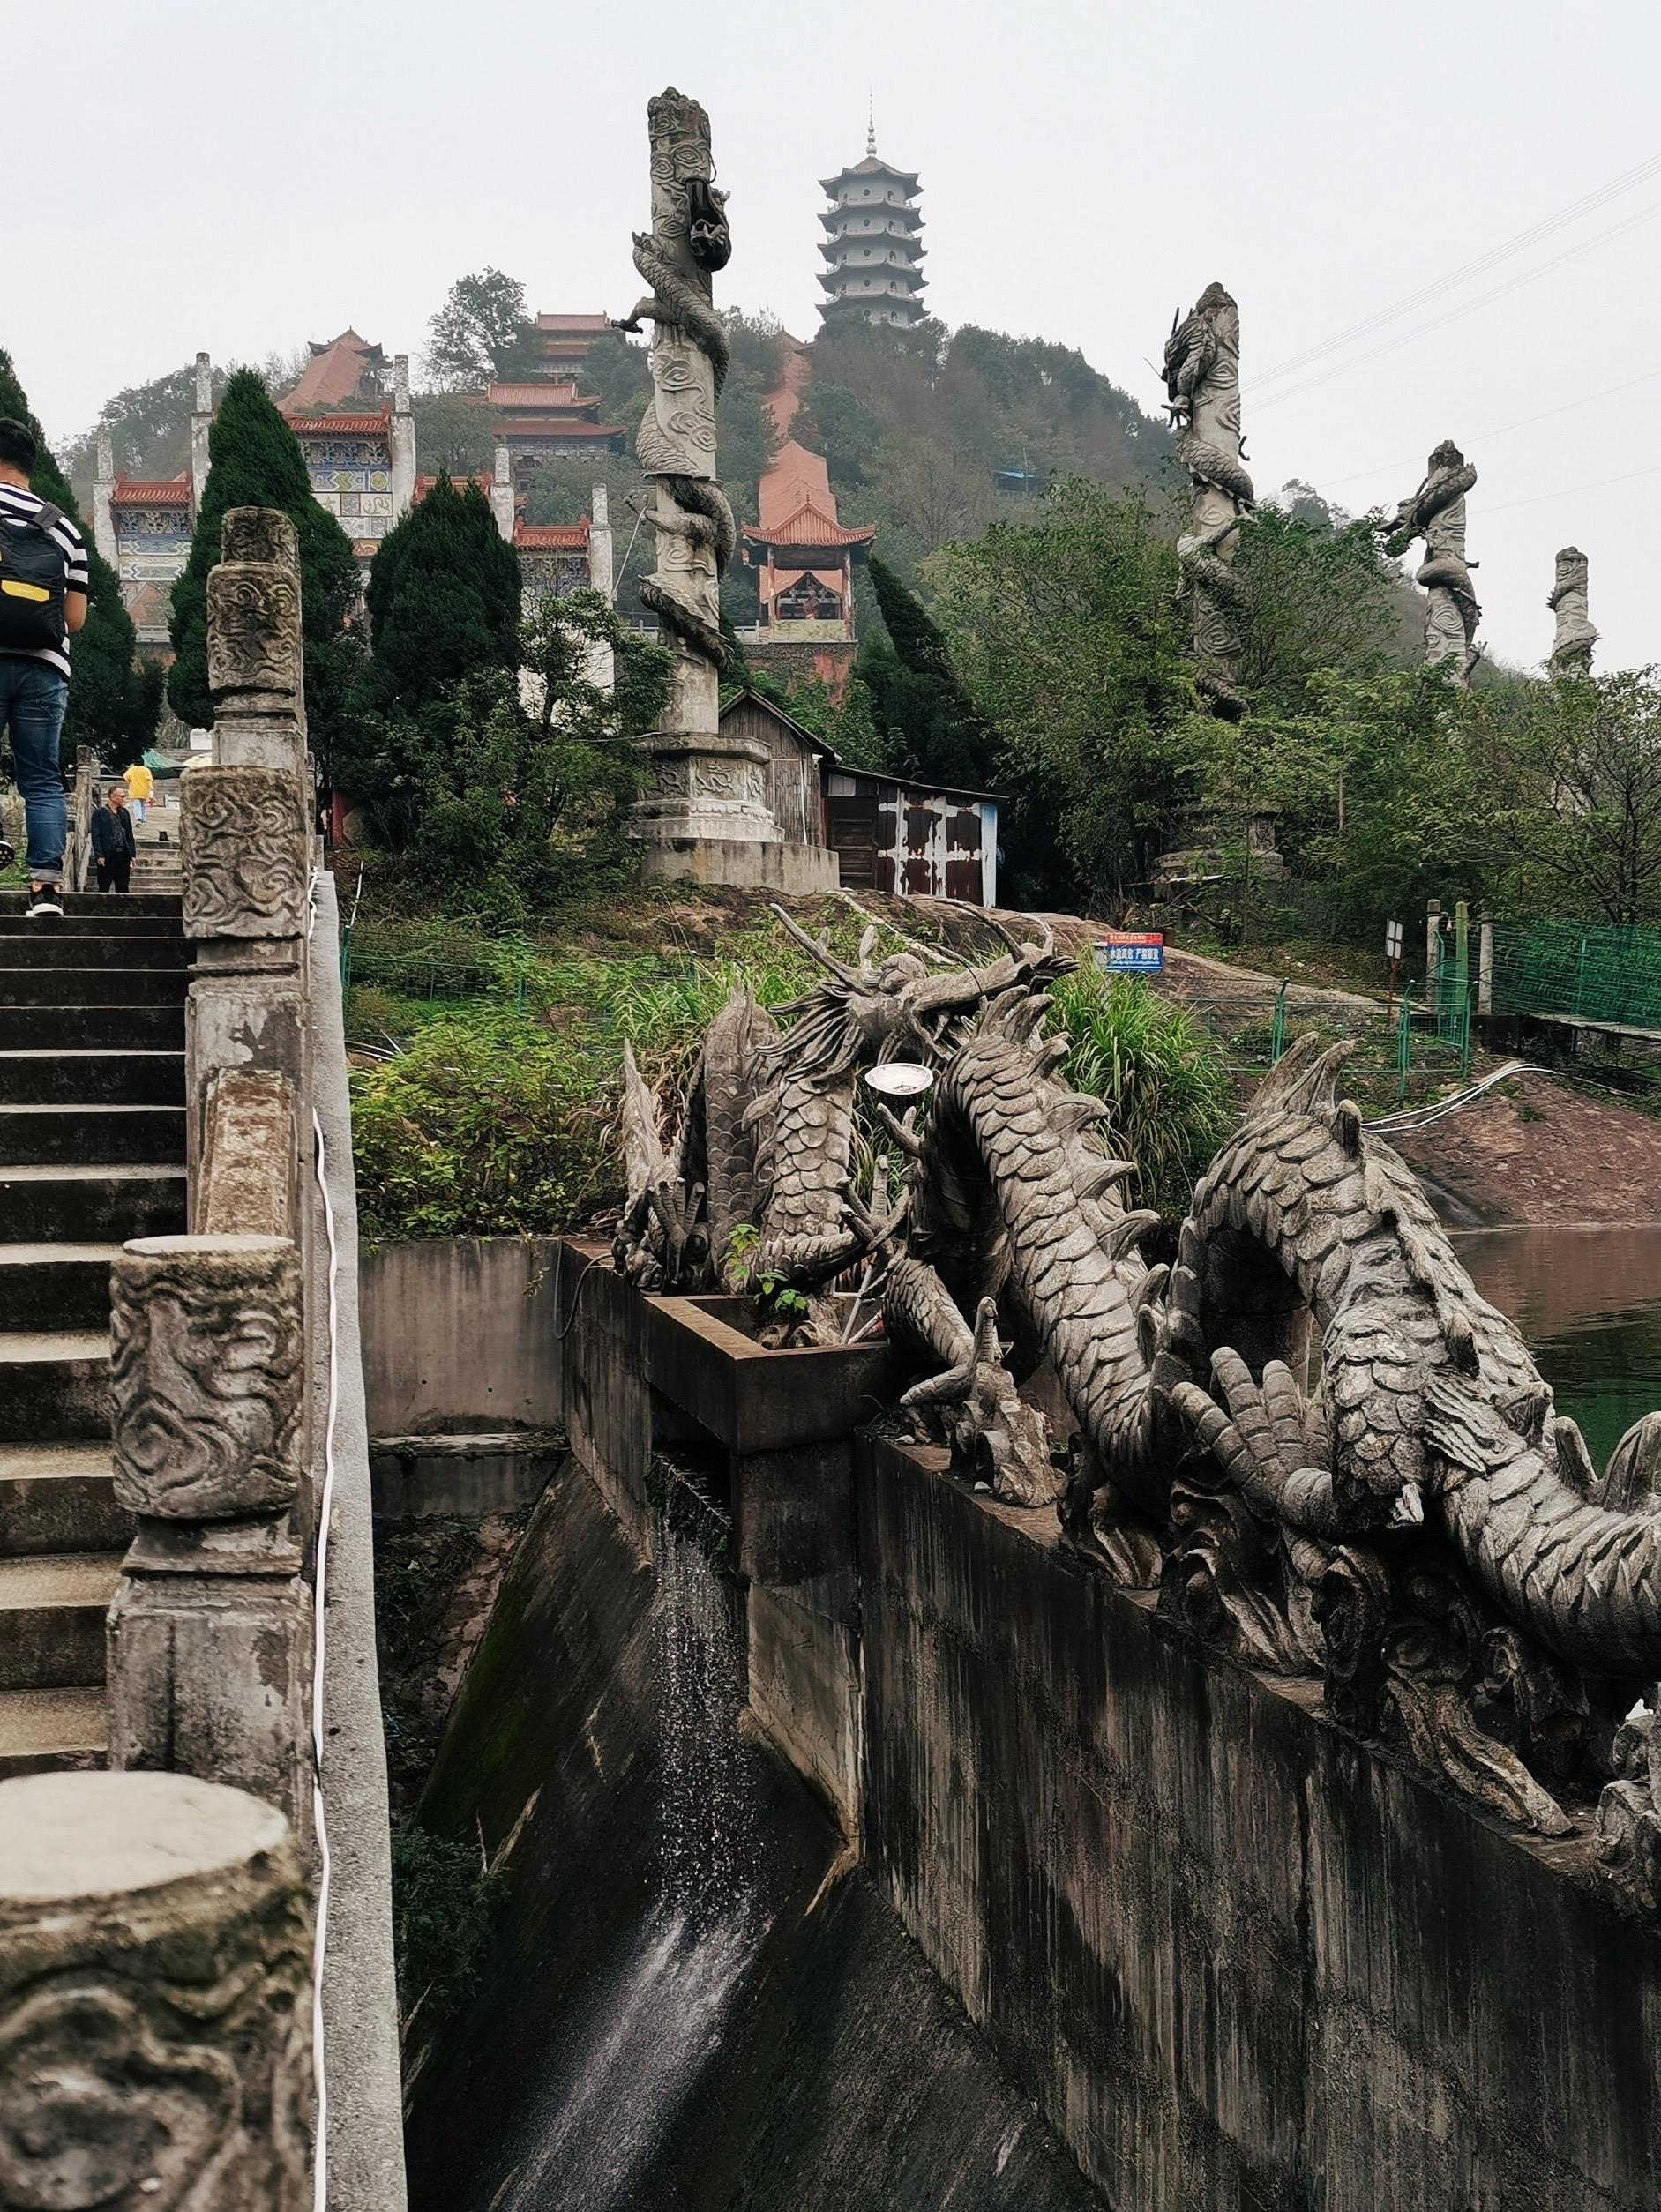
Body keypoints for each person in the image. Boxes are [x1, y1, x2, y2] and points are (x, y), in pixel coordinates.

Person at [0, 417, 89, 917]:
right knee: (41, 779)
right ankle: (46, 890)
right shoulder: (62, 527)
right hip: (43, 668)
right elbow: (73, 619)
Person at [90, 781, 135, 894]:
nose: (124, 799)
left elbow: (129, 835)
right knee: (104, 884)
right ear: (112, 796)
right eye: (122, 796)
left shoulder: (124, 812)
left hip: (123, 854)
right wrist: (99, 854)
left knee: (123, 886)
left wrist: (132, 854)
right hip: (108, 854)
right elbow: (96, 835)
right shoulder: (99, 813)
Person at [123, 755, 153, 826]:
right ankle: (143, 819)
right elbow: (150, 779)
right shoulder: (146, 770)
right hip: (144, 790)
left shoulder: (132, 769)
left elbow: (126, 777)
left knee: (136, 805)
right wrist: (151, 789)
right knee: (143, 805)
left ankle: (138, 819)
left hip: (135, 790)